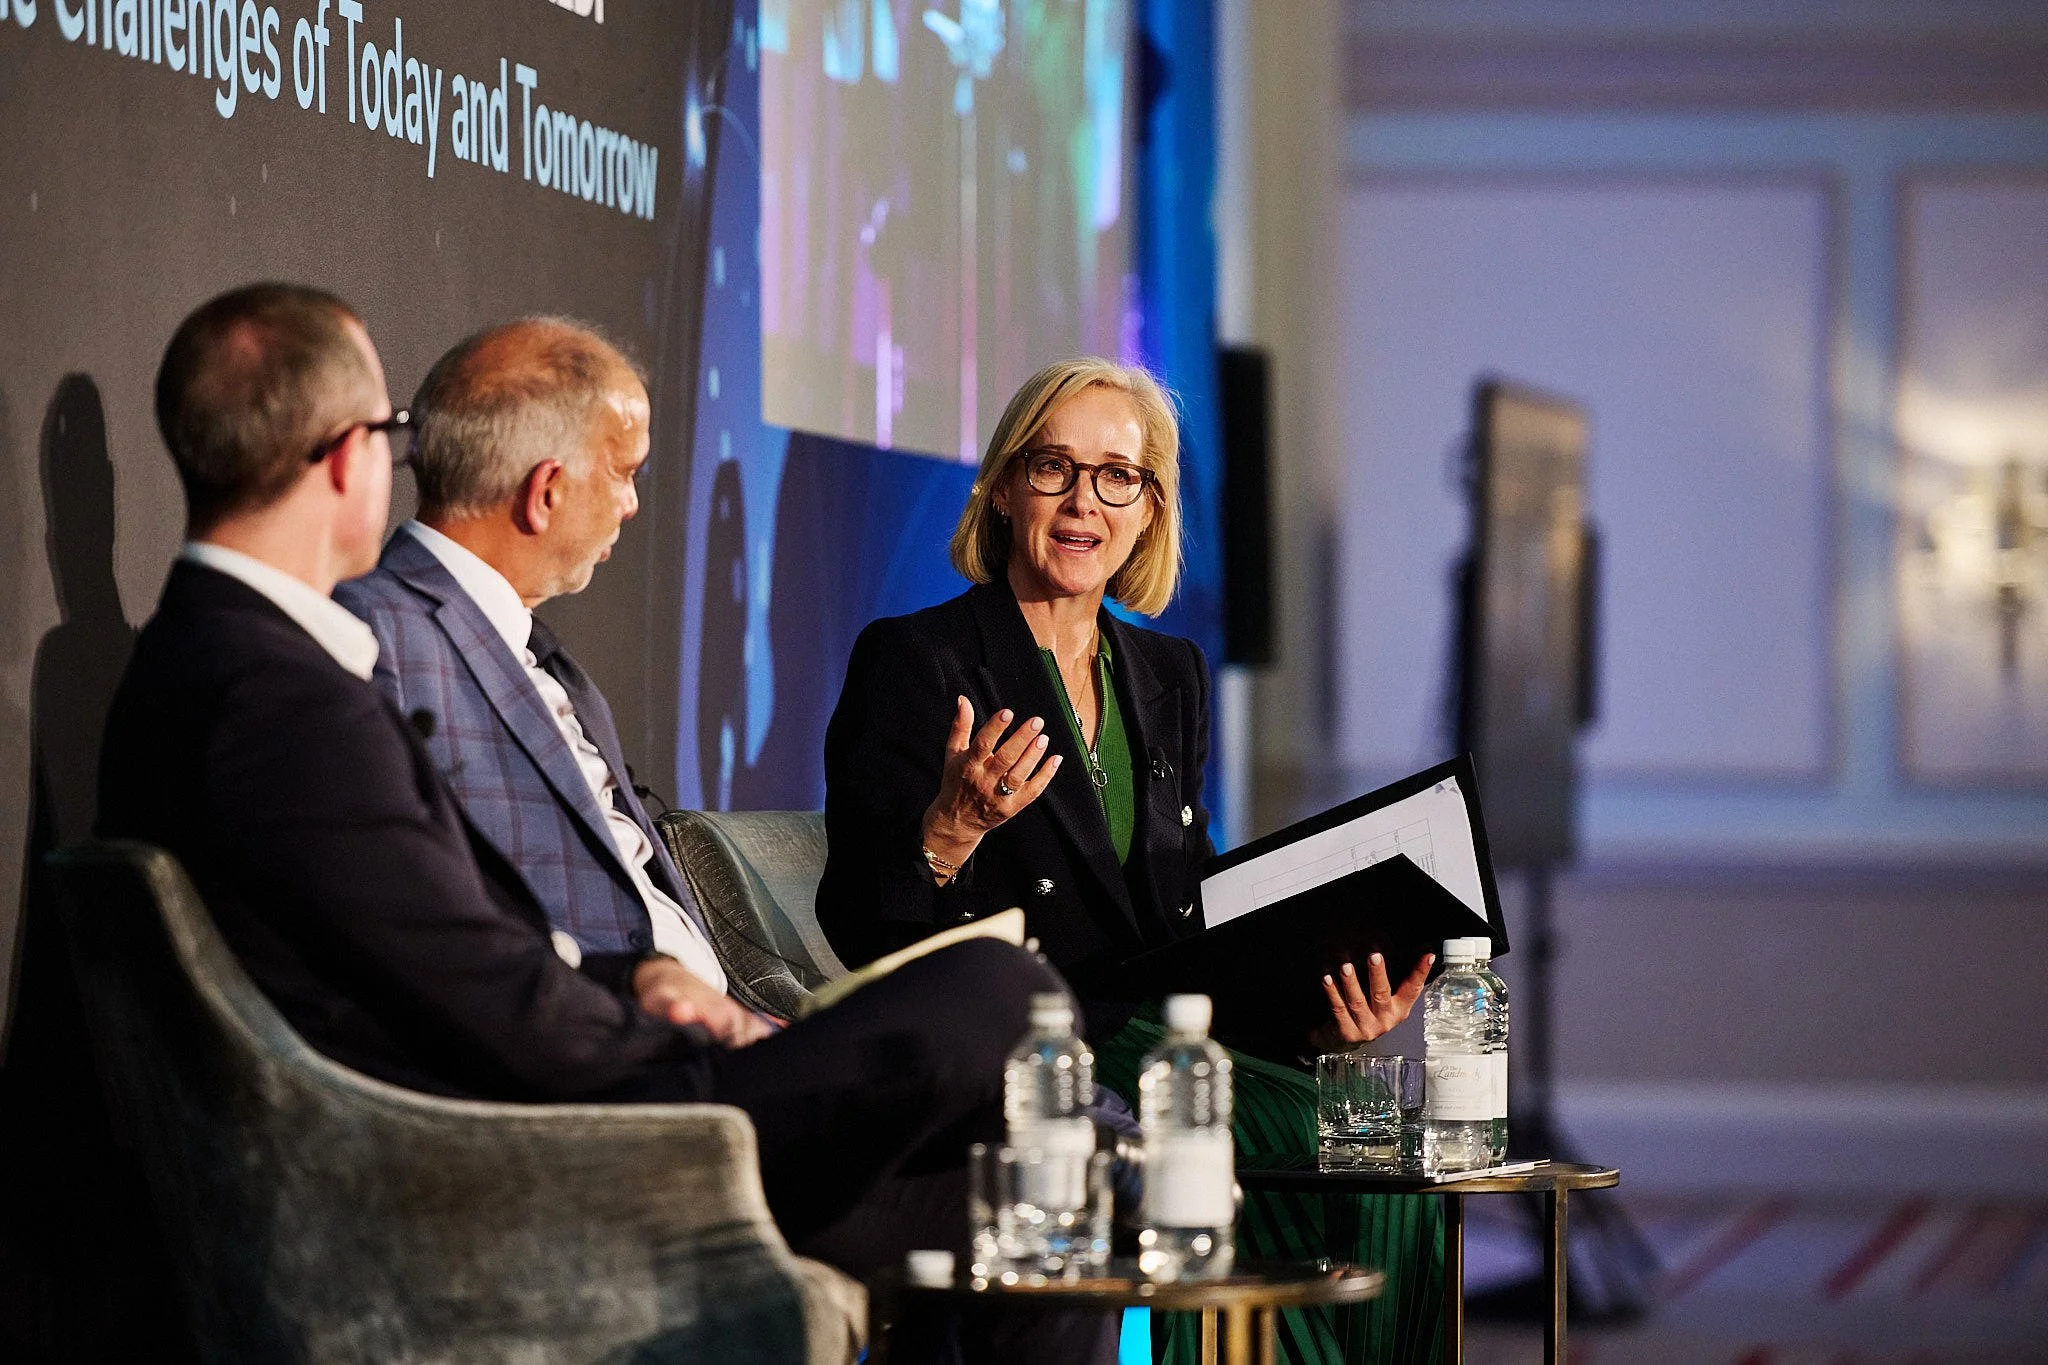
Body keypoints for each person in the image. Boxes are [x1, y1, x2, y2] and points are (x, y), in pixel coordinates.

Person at [97, 284, 1117, 1364]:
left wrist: (637, 983)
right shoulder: (275, 696)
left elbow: (445, 946)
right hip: (553, 1141)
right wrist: (671, 1029)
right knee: (1008, 999)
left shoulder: (215, 663)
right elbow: (475, 988)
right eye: (391, 438)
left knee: (1041, 1198)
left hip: (589, 1081)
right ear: (348, 457)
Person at [817, 356, 1445, 1363]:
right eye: (1054, 467)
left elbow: (1189, 902)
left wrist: (1316, 1000)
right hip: (1040, 1045)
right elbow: (857, 919)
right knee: (1312, 1145)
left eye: (1117, 475)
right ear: (1002, 485)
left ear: (1149, 509)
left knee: (1384, 1156)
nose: (1082, 502)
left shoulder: (1167, 672)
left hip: (1170, 1032)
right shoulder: (919, 660)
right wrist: (948, 831)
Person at [334, 319, 753, 1043]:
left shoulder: (549, 659)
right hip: (608, 1050)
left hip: (716, 1024)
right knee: (990, 999)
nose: (632, 504)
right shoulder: (373, 635)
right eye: (624, 473)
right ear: (547, 492)